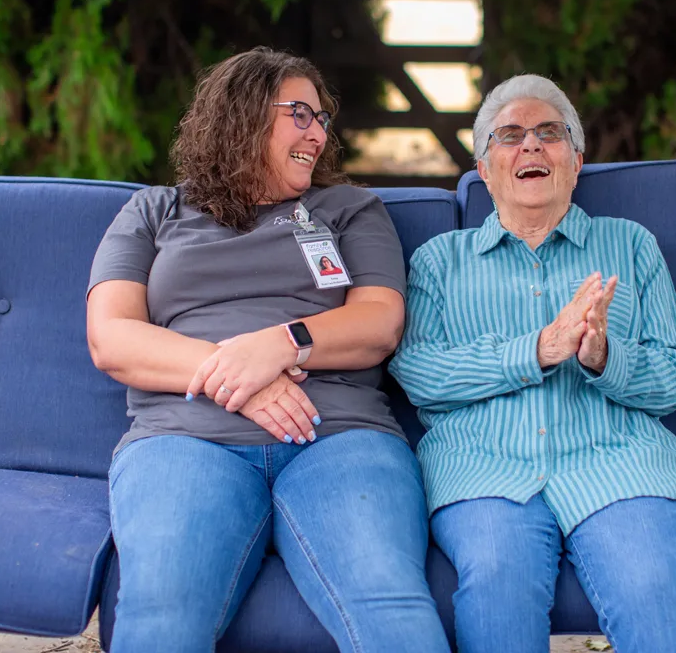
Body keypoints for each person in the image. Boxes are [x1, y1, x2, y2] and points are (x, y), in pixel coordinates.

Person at [86, 47, 450, 653]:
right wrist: (238, 373)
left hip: (338, 435)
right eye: (299, 114)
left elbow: (378, 323)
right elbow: (112, 336)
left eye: (321, 119)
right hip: (186, 439)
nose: (317, 132)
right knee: (160, 611)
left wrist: (281, 344)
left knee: (390, 603)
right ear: (244, 114)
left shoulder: (349, 209)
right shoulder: (154, 212)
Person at [390, 74, 676, 653]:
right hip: (484, 468)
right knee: (497, 591)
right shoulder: (440, 262)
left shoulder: (630, 246)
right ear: (484, 170)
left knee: (653, 592)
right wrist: (538, 350)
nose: (530, 145)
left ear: (576, 161)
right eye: (509, 135)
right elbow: (418, 373)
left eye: (550, 133)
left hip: (620, 462)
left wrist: (605, 356)